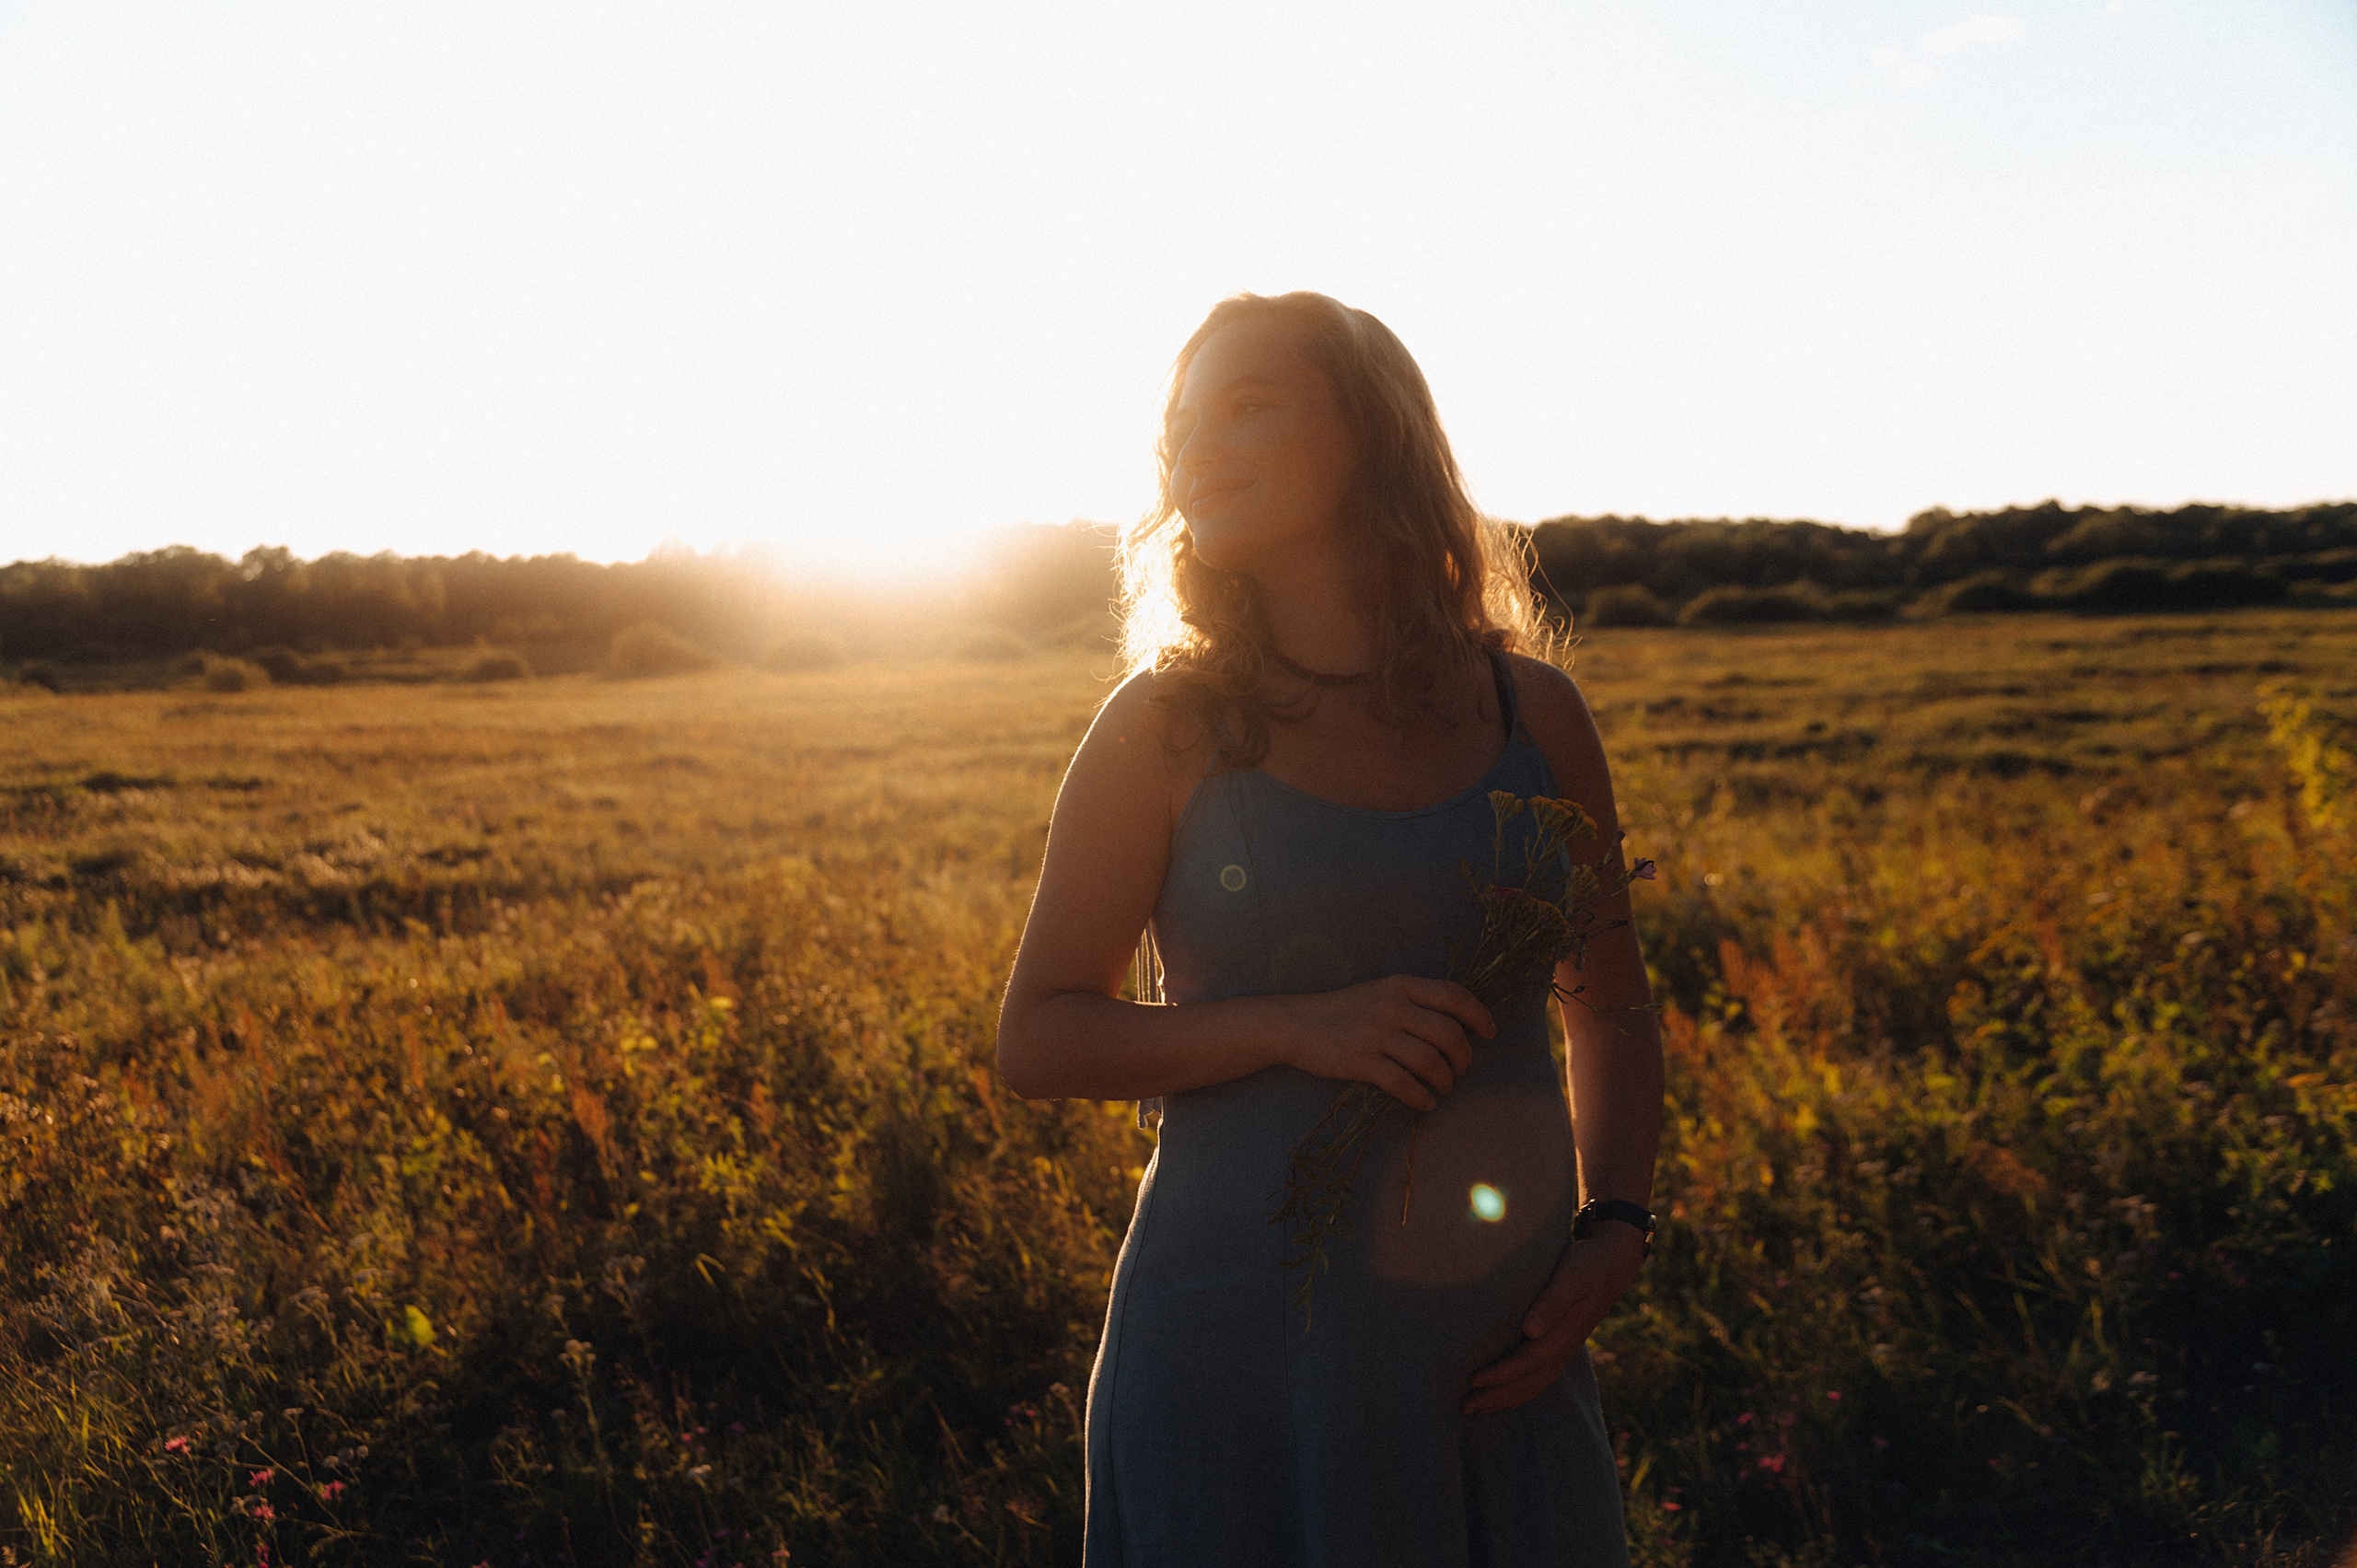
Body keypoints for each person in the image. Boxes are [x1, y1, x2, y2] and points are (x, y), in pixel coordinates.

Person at [996, 290, 1663, 1567]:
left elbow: (1613, 1002)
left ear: (1376, 435)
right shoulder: (1167, 727)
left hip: (1495, 1358)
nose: (1199, 448)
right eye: (1183, 425)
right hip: (1232, 1356)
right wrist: (1296, 1027)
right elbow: (1039, 1040)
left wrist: (1617, 1226)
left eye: (1251, 405)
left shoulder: (1532, 715)